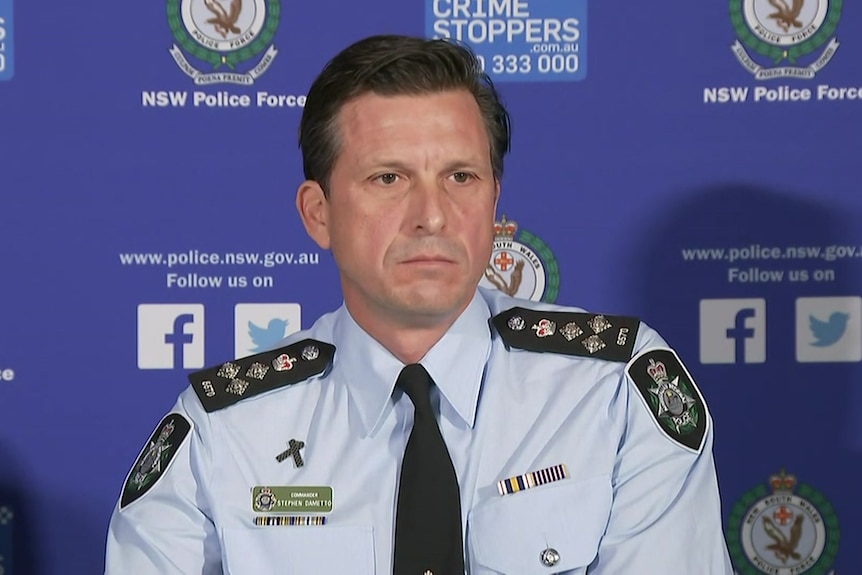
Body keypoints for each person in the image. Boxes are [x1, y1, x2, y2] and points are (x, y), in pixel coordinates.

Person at [105, 34, 734, 574]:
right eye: (388, 178)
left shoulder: (615, 390)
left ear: (494, 203)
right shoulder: (227, 429)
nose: (431, 215)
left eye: (461, 177)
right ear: (318, 214)